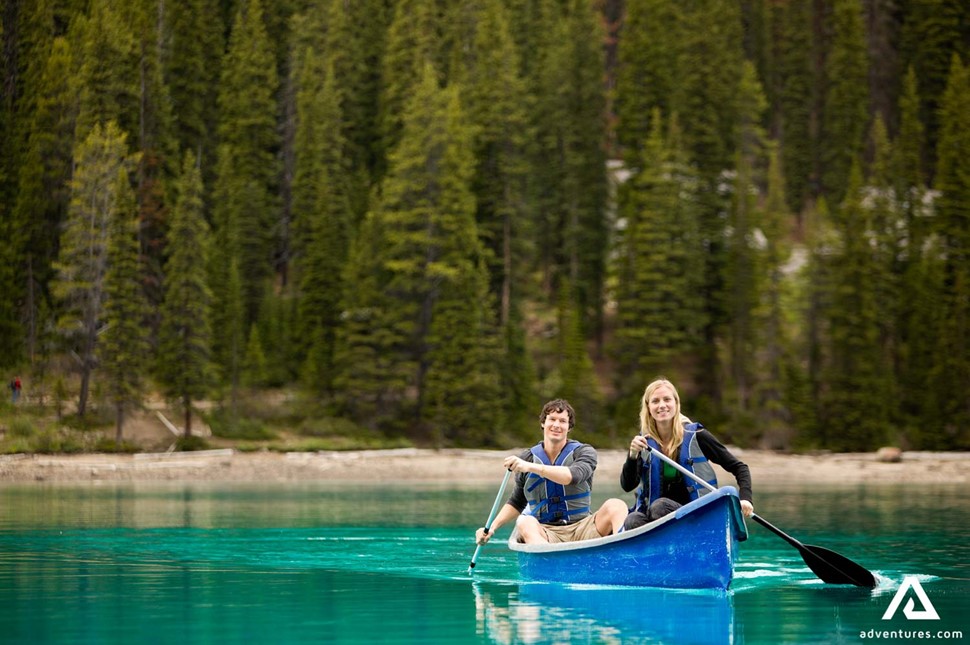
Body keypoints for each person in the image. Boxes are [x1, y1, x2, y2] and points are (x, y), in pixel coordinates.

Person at [475, 399, 628, 545]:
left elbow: (573, 476)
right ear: (543, 423)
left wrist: (530, 467)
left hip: (582, 528)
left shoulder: (584, 452)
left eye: (562, 421)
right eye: (552, 419)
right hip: (547, 532)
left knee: (616, 505)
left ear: (569, 427)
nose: (557, 425)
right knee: (524, 522)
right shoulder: (528, 457)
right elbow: (517, 501)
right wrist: (491, 528)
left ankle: (621, 552)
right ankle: (548, 558)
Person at [621, 378, 754, 530]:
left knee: (660, 506)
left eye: (667, 399)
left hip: (696, 514)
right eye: (655, 401)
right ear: (648, 407)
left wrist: (745, 499)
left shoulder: (697, 436)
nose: (662, 405)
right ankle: (656, 551)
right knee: (632, 520)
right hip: (656, 516)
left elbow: (739, 467)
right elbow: (627, 485)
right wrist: (632, 455)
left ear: (676, 404)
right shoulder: (643, 443)